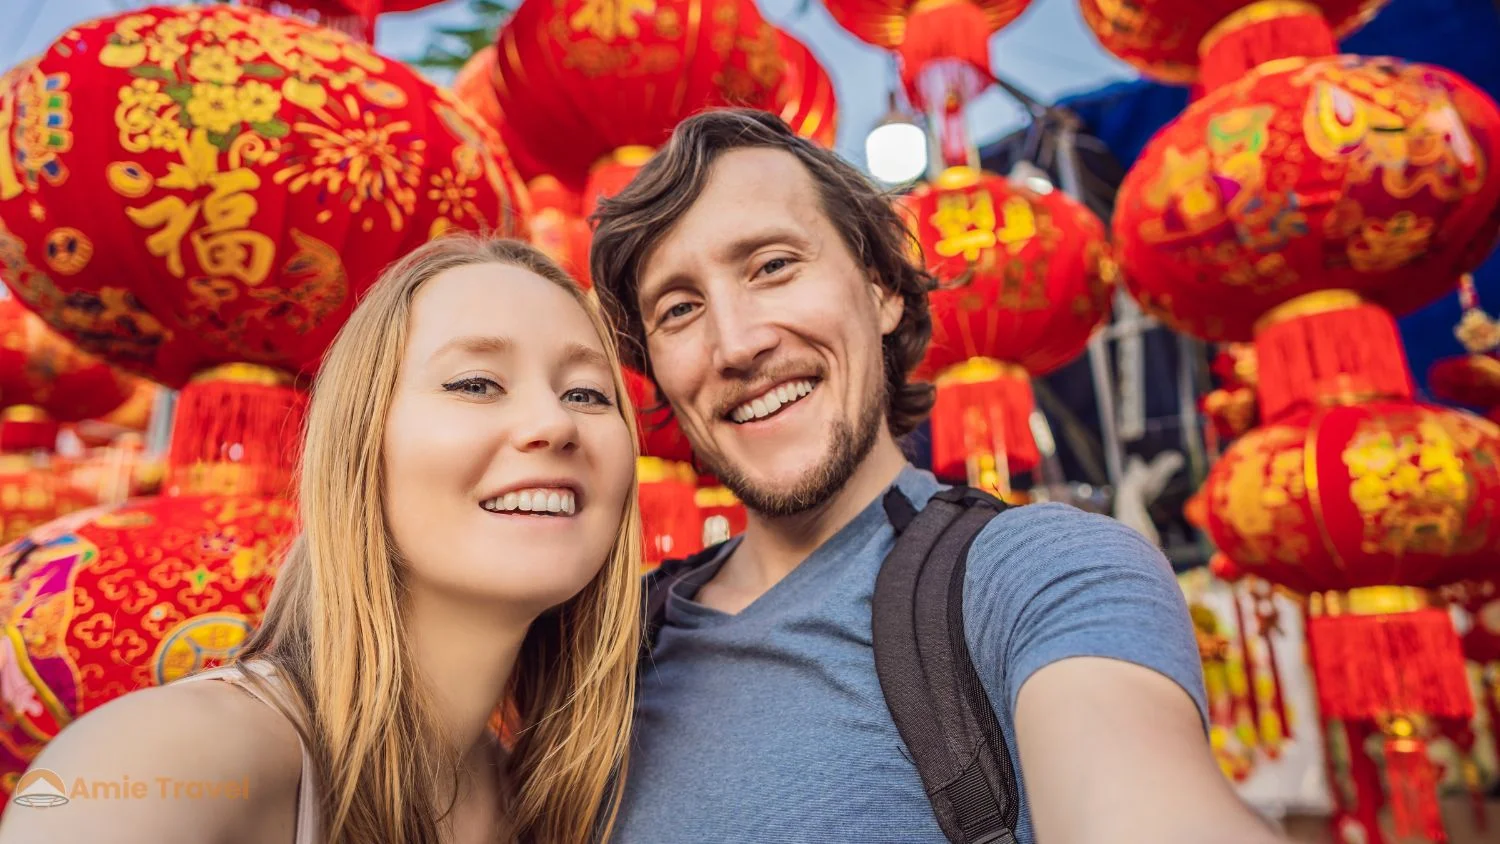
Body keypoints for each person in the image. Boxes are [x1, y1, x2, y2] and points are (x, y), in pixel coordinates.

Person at [589, 109, 1285, 844]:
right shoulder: (611, 649)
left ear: (883, 287)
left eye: (773, 266)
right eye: (679, 308)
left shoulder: (1034, 573)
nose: (734, 344)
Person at [0, 236, 643, 844]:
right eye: (476, 383)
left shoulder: (550, 797)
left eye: (586, 393)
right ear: (357, 444)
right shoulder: (157, 762)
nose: (553, 423)